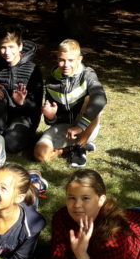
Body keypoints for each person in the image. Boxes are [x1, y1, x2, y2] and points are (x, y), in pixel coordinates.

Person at [35, 39, 107, 168]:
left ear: (79, 59)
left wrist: (81, 126)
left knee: (92, 100)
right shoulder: (51, 81)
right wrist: (50, 117)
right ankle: (69, 149)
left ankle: (80, 147)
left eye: (71, 60)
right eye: (61, 60)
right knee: (40, 154)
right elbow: (50, 121)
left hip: (85, 127)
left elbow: (101, 98)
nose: (65, 65)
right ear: (57, 59)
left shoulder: (87, 74)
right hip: (64, 129)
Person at [0, 27, 44, 154]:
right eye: (3, 47)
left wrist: (22, 102)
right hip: (3, 117)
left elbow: (37, 107)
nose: (7, 52)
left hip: (24, 119)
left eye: (11, 47)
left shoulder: (33, 70)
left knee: (9, 145)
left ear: (20, 47)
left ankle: (21, 137)